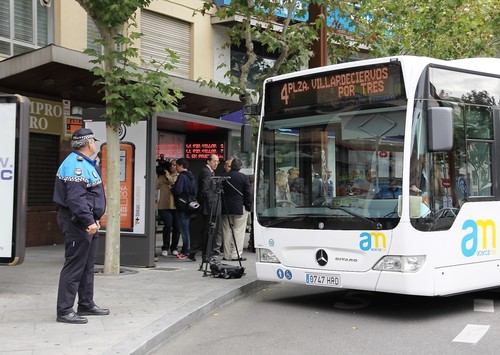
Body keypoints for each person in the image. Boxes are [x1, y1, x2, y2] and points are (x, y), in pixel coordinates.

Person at [53, 128, 109, 324]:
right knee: (74, 266)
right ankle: (65, 310)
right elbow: (76, 200)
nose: (94, 143)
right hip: (79, 223)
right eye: (93, 140)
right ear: (88, 143)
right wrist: (88, 221)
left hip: (87, 222)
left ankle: (85, 303)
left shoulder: (85, 163)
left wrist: (94, 219)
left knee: (87, 266)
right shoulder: (75, 165)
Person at [188, 154, 220, 262]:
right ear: (208, 161)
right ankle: (205, 255)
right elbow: (204, 191)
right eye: (214, 161)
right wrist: (206, 203)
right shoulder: (206, 172)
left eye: (217, 161)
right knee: (207, 231)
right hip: (207, 207)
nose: (216, 163)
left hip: (207, 206)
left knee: (203, 230)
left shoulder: (210, 172)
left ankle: (194, 252)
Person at [221, 158, 252, 261]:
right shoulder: (244, 177)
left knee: (226, 231)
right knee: (238, 231)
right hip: (240, 208)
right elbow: (247, 193)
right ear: (240, 167)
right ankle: (236, 255)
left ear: (231, 166)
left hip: (225, 208)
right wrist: (248, 206)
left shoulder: (223, 176)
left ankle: (226, 254)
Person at [172, 158, 197, 259]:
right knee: (187, 228)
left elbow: (178, 190)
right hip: (190, 205)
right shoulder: (191, 176)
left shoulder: (182, 176)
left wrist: (173, 188)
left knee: (184, 229)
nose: (176, 168)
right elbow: (194, 191)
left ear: (181, 165)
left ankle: (185, 251)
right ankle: (187, 249)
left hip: (182, 205)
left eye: (177, 166)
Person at [156, 159, 180, 257]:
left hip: (175, 205)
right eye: (171, 165)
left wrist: (167, 175)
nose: (172, 167)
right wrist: (159, 175)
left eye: (174, 165)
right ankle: (165, 247)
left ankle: (174, 247)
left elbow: (172, 182)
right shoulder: (162, 176)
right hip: (164, 205)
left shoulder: (179, 176)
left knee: (177, 227)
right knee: (167, 225)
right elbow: (155, 186)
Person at [213, 159, 232, 256]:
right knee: (221, 229)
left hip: (230, 207)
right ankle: (219, 248)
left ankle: (226, 248)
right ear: (224, 166)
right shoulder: (221, 178)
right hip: (222, 206)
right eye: (228, 166)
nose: (230, 168)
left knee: (229, 229)